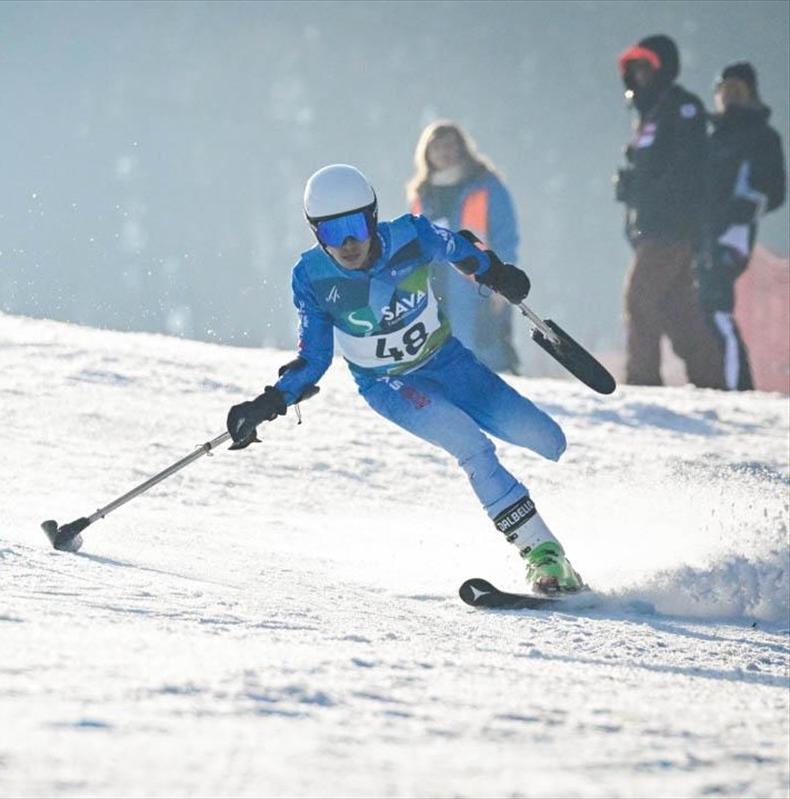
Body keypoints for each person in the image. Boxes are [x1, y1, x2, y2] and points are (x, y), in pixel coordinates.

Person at [225, 164, 584, 595]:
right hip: (390, 386)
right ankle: (542, 555)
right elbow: (313, 357)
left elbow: (460, 249)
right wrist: (269, 402)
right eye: (331, 233)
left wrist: (494, 271)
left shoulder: (412, 236)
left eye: (355, 226)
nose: (349, 243)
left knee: (549, 440)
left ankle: (558, 547)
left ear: (372, 218)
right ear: (315, 234)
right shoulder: (313, 278)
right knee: (471, 446)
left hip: (449, 363)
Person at [613, 34, 725, 389]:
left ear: (663, 67)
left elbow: (688, 168)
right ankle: (713, 383)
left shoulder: (682, 108)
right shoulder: (650, 115)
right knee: (679, 311)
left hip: (672, 226)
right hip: (650, 226)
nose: (639, 74)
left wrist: (653, 193)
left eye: (646, 65)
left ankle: (642, 382)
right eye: (634, 67)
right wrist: (629, 185)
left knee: (640, 297)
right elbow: (647, 168)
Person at [697, 62, 787, 391]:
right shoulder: (711, 137)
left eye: (738, 92)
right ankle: (714, 381)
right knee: (701, 307)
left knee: (716, 307)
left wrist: (744, 207)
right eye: (725, 92)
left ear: (751, 95)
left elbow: (774, 190)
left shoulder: (761, 136)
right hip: (702, 234)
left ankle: (738, 387)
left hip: (733, 235)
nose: (730, 99)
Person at [408, 121, 521, 374]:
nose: (444, 152)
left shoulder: (487, 186)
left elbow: (506, 237)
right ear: (426, 153)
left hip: (480, 285)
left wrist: (501, 284)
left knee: (489, 354)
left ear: (462, 149)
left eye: (450, 145)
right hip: (434, 288)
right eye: (437, 147)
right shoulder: (422, 194)